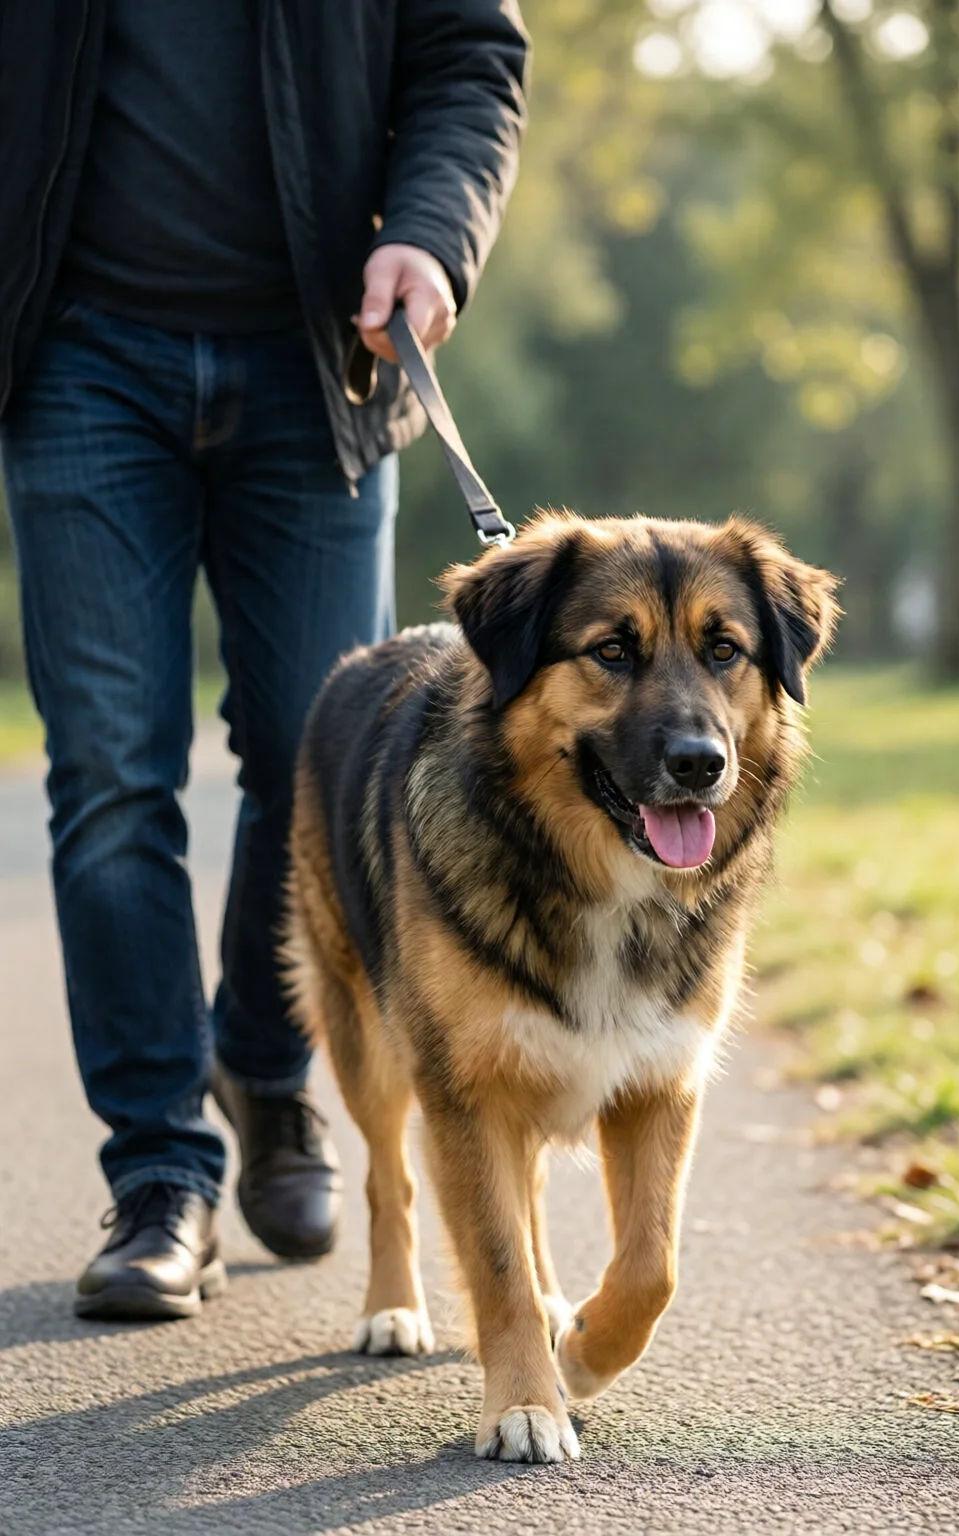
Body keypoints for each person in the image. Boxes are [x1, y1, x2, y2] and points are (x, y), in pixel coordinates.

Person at [0, 0, 528, 1322]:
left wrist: (433, 235)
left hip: (325, 359)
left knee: (314, 747)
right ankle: (162, 1180)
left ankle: (262, 1062)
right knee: (111, 770)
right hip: (74, 351)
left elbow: (469, 54)